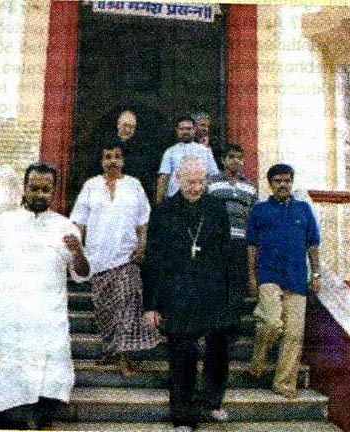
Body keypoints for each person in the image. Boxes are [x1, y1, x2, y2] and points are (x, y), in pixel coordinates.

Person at [0, 162, 90, 430]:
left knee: (47, 398)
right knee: (9, 404)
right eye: (35, 188)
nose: (40, 194)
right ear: (25, 188)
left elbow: (81, 274)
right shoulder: (3, 224)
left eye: (46, 189)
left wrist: (78, 252)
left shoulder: (65, 228)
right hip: (8, 325)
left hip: (46, 327)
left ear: (54, 192)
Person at [143, 156, 234, 432]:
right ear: (178, 180)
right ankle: (183, 416)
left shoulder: (217, 209)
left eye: (201, 182)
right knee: (182, 354)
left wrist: (233, 296)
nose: (196, 188)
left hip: (214, 292)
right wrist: (151, 306)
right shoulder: (164, 212)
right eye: (191, 182)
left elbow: (228, 254)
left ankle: (212, 400)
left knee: (218, 350)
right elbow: (154, 261)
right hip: (178, 294)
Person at [70, 143, 161, 377]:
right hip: (97, 258)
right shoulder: (91, 186)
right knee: (105, 310)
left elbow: (144, 221)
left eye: (117, 157)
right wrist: (76, 251)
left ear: (123, 161)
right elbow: (79, 221)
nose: (112, 161)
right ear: (101, 160)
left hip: (126, 256)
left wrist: (141, 246)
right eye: (107, 156)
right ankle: (110, 352)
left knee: (127, 304)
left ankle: (124, 358)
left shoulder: (134, 185)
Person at [246, 163, 321, 399]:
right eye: (278, 181)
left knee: (294, 334)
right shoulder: (259, 210)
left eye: (287, 181)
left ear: (292, 183)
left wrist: (316, 274)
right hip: (268, 275)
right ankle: (258, 358)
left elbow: (313, 244)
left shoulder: (303, 210)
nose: (283, 185)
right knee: (272, 322)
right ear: (270, 184)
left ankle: (284, 382)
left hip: (297, 278)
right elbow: (252, 246)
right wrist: (252, 276)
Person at [208, 142, 258, 319]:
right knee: (218, 283)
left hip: (241, 242)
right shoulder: (212, 183)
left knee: (237, 283)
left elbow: (253, 217)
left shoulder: (250, 187)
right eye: (231, 157)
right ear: (223, 160)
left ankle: (233, 325)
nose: (235, 161)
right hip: (218, 241)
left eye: (239, 158)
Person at [89, 110, 159, 202]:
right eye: (125, 125)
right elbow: (95, 169)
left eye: (132, 127)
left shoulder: (141, 148)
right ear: (118, 124)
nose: (128, 130)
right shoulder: (104, 145)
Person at [155, 115, 219, 205]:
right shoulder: (170, 152)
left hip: (200, 200)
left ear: (194, 130)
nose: (185, 132)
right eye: (182, 129)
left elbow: (213, 176)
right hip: (175, 202)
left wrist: (199, 189)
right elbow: (164, 178)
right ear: (177, 130)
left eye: (188, 129)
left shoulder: (205, 150)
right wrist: (159, 204)